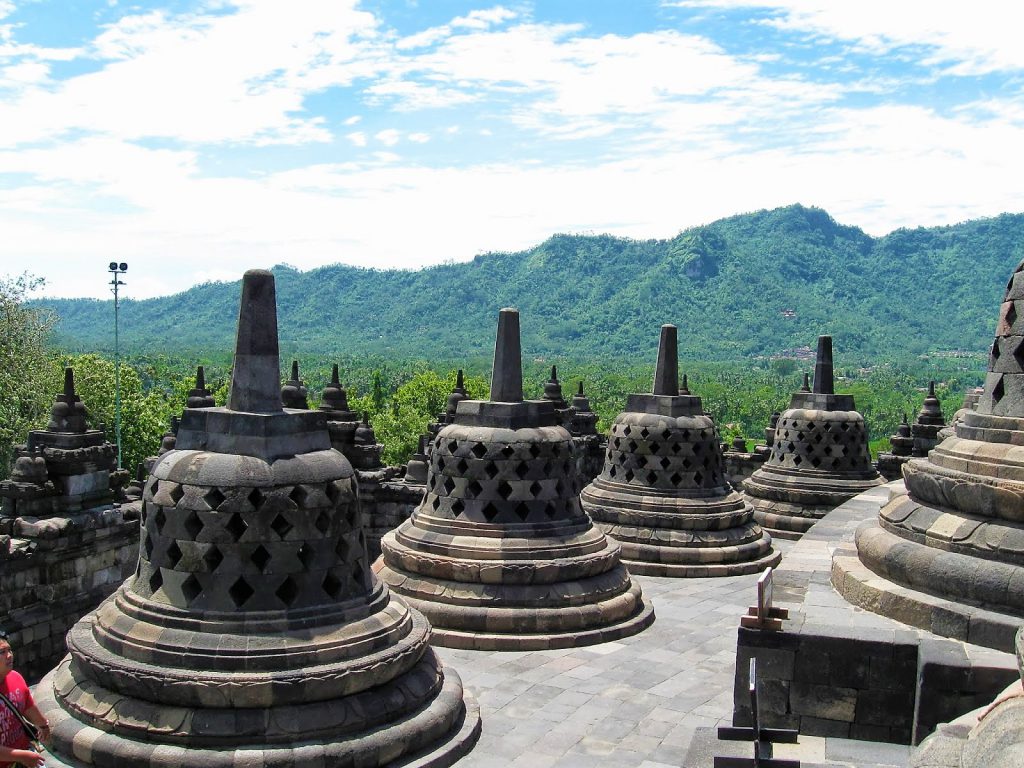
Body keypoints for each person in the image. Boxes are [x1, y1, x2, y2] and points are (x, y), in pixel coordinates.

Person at [0, 633, 48, 768]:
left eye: (9, 650)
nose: (9, 655)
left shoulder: (15, 678)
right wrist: (22, 756)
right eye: (2, 652)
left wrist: (43, 725)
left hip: (25, 753)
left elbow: (27, 706)